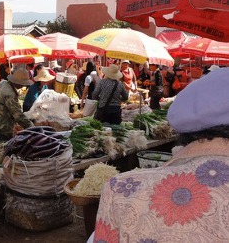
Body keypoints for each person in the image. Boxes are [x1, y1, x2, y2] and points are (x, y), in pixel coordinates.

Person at [93, 67, 229, 242]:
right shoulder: (119, 85)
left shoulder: (121, 190)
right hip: (116, 113)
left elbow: (95, 95)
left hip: (106, 113)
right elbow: (125, 98)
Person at [0, 68, 34, 142]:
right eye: (22, 84)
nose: (23, 86)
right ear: (18, 83)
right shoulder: (10, 94)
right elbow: (18, 115)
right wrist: (32, 127)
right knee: (1, 150)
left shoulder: (2, 83)